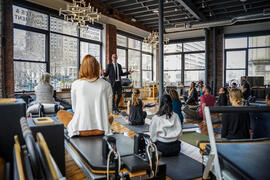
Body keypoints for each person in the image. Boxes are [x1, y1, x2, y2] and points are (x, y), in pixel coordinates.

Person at [57, 55, 113, 137]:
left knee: (61, 113)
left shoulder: (76, 84)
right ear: (98, 68)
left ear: (82, 68)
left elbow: (75, 109)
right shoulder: (107, 85)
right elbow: (109, 110)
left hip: (80, 130)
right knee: (111, 117)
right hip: (101, 129)